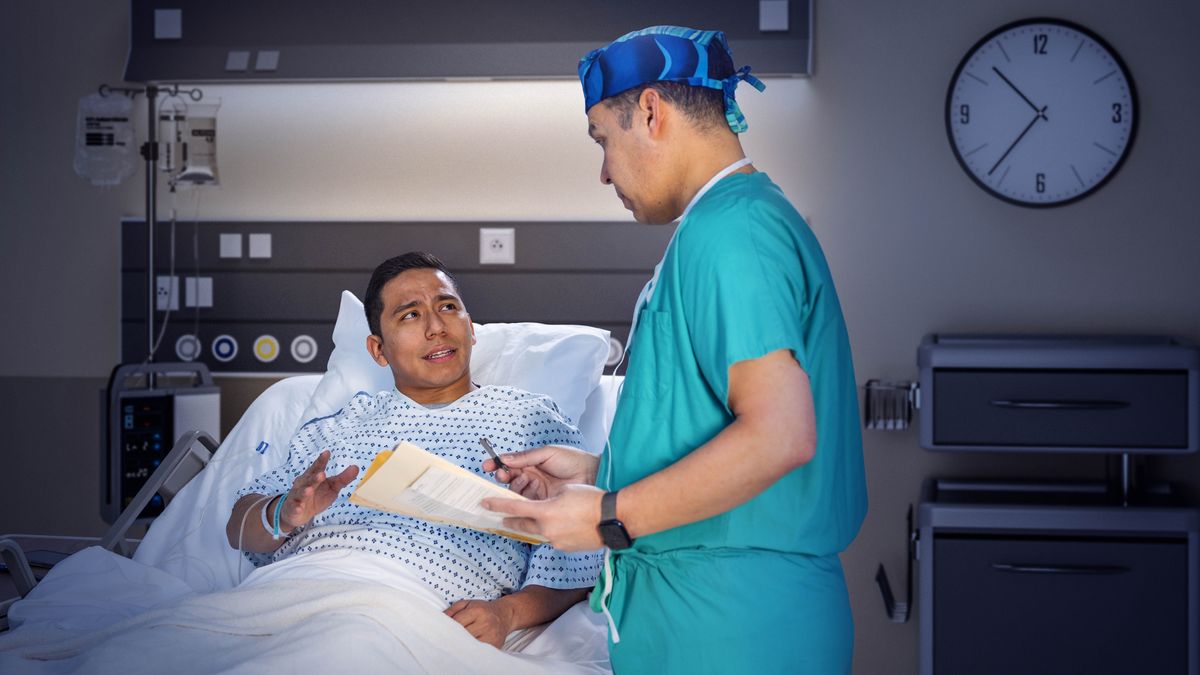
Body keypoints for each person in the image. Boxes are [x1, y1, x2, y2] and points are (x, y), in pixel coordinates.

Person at [482, 26, 867, 673]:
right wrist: (598, 469)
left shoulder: (733, 232)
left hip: (736, 631)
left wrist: (607, 514)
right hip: (711, 620)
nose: (604, 171)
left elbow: (780, 435)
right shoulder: (726, 228)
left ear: (652, 112)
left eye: (603, 138)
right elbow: (707, 422)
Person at [224, 251, 601, 649]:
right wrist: (283, 512)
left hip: (418, 605)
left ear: (470, 329)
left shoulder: (528, 418)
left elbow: (576, 552)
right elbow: (237, 526)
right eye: (410, 315)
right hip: (296, 587)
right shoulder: (344, 424)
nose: (436, 327)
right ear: (378, 350)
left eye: (447, 307)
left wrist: (507, 613)